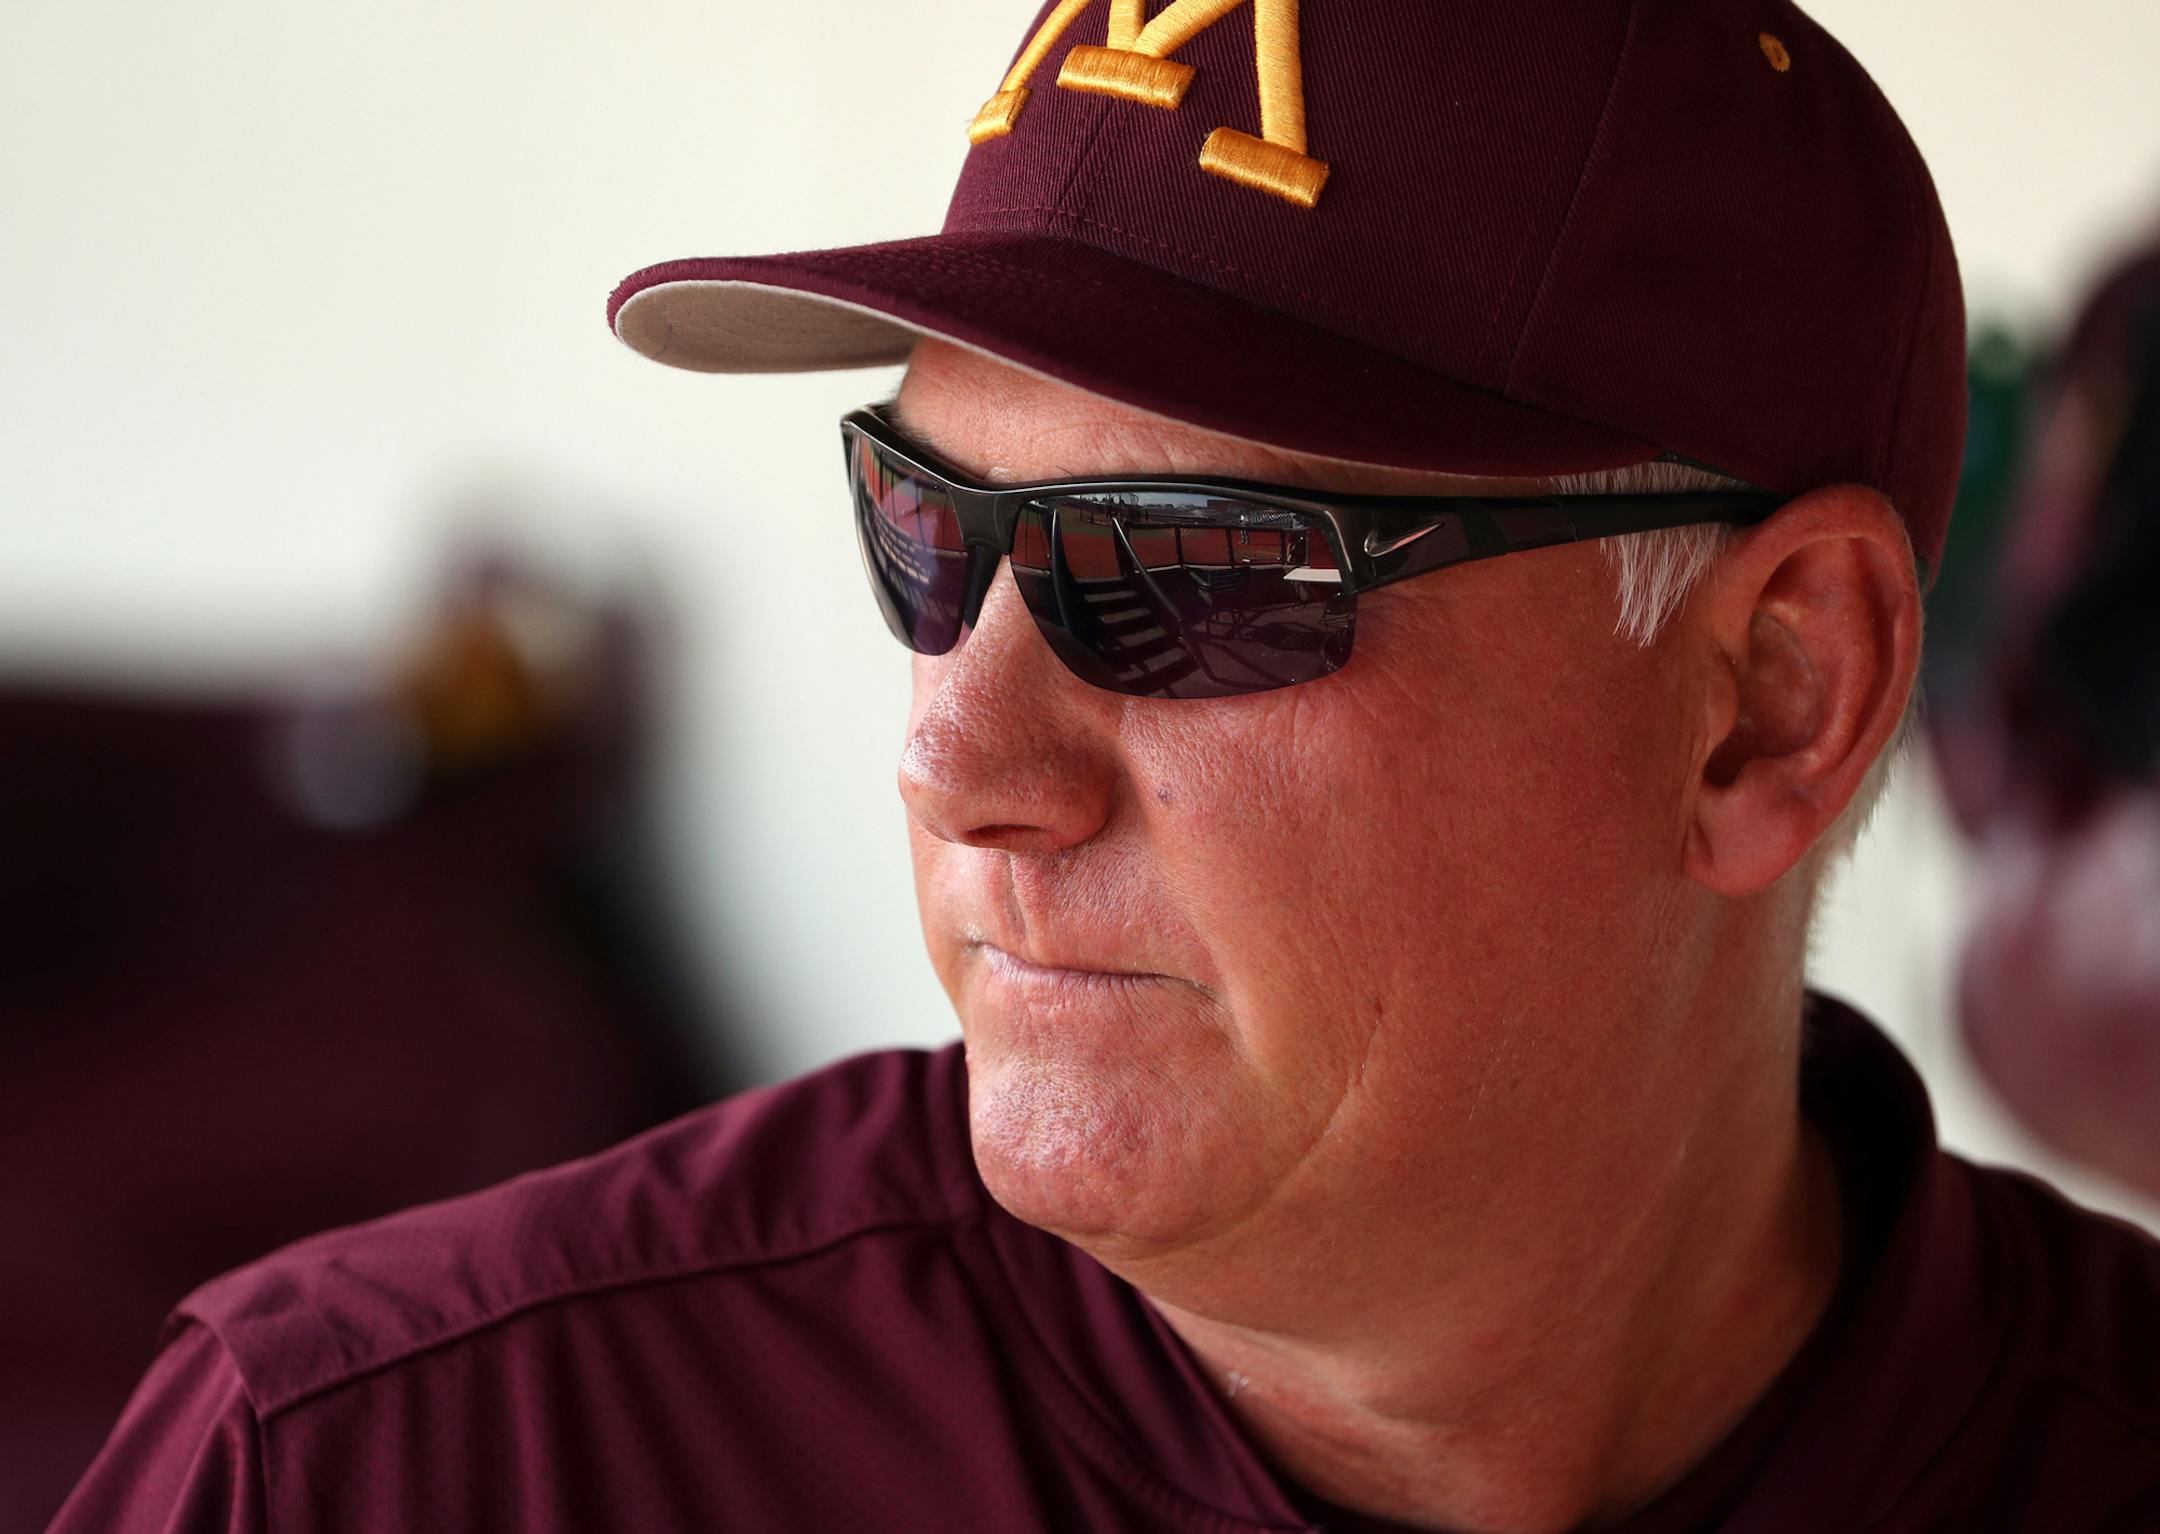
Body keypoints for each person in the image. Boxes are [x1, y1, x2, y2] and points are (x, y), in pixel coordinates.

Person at [50, 0, 2160, 1530]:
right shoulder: (390, 1461)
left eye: (1186, 570)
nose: (954, 755)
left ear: (1771, 697)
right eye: (921, 528)